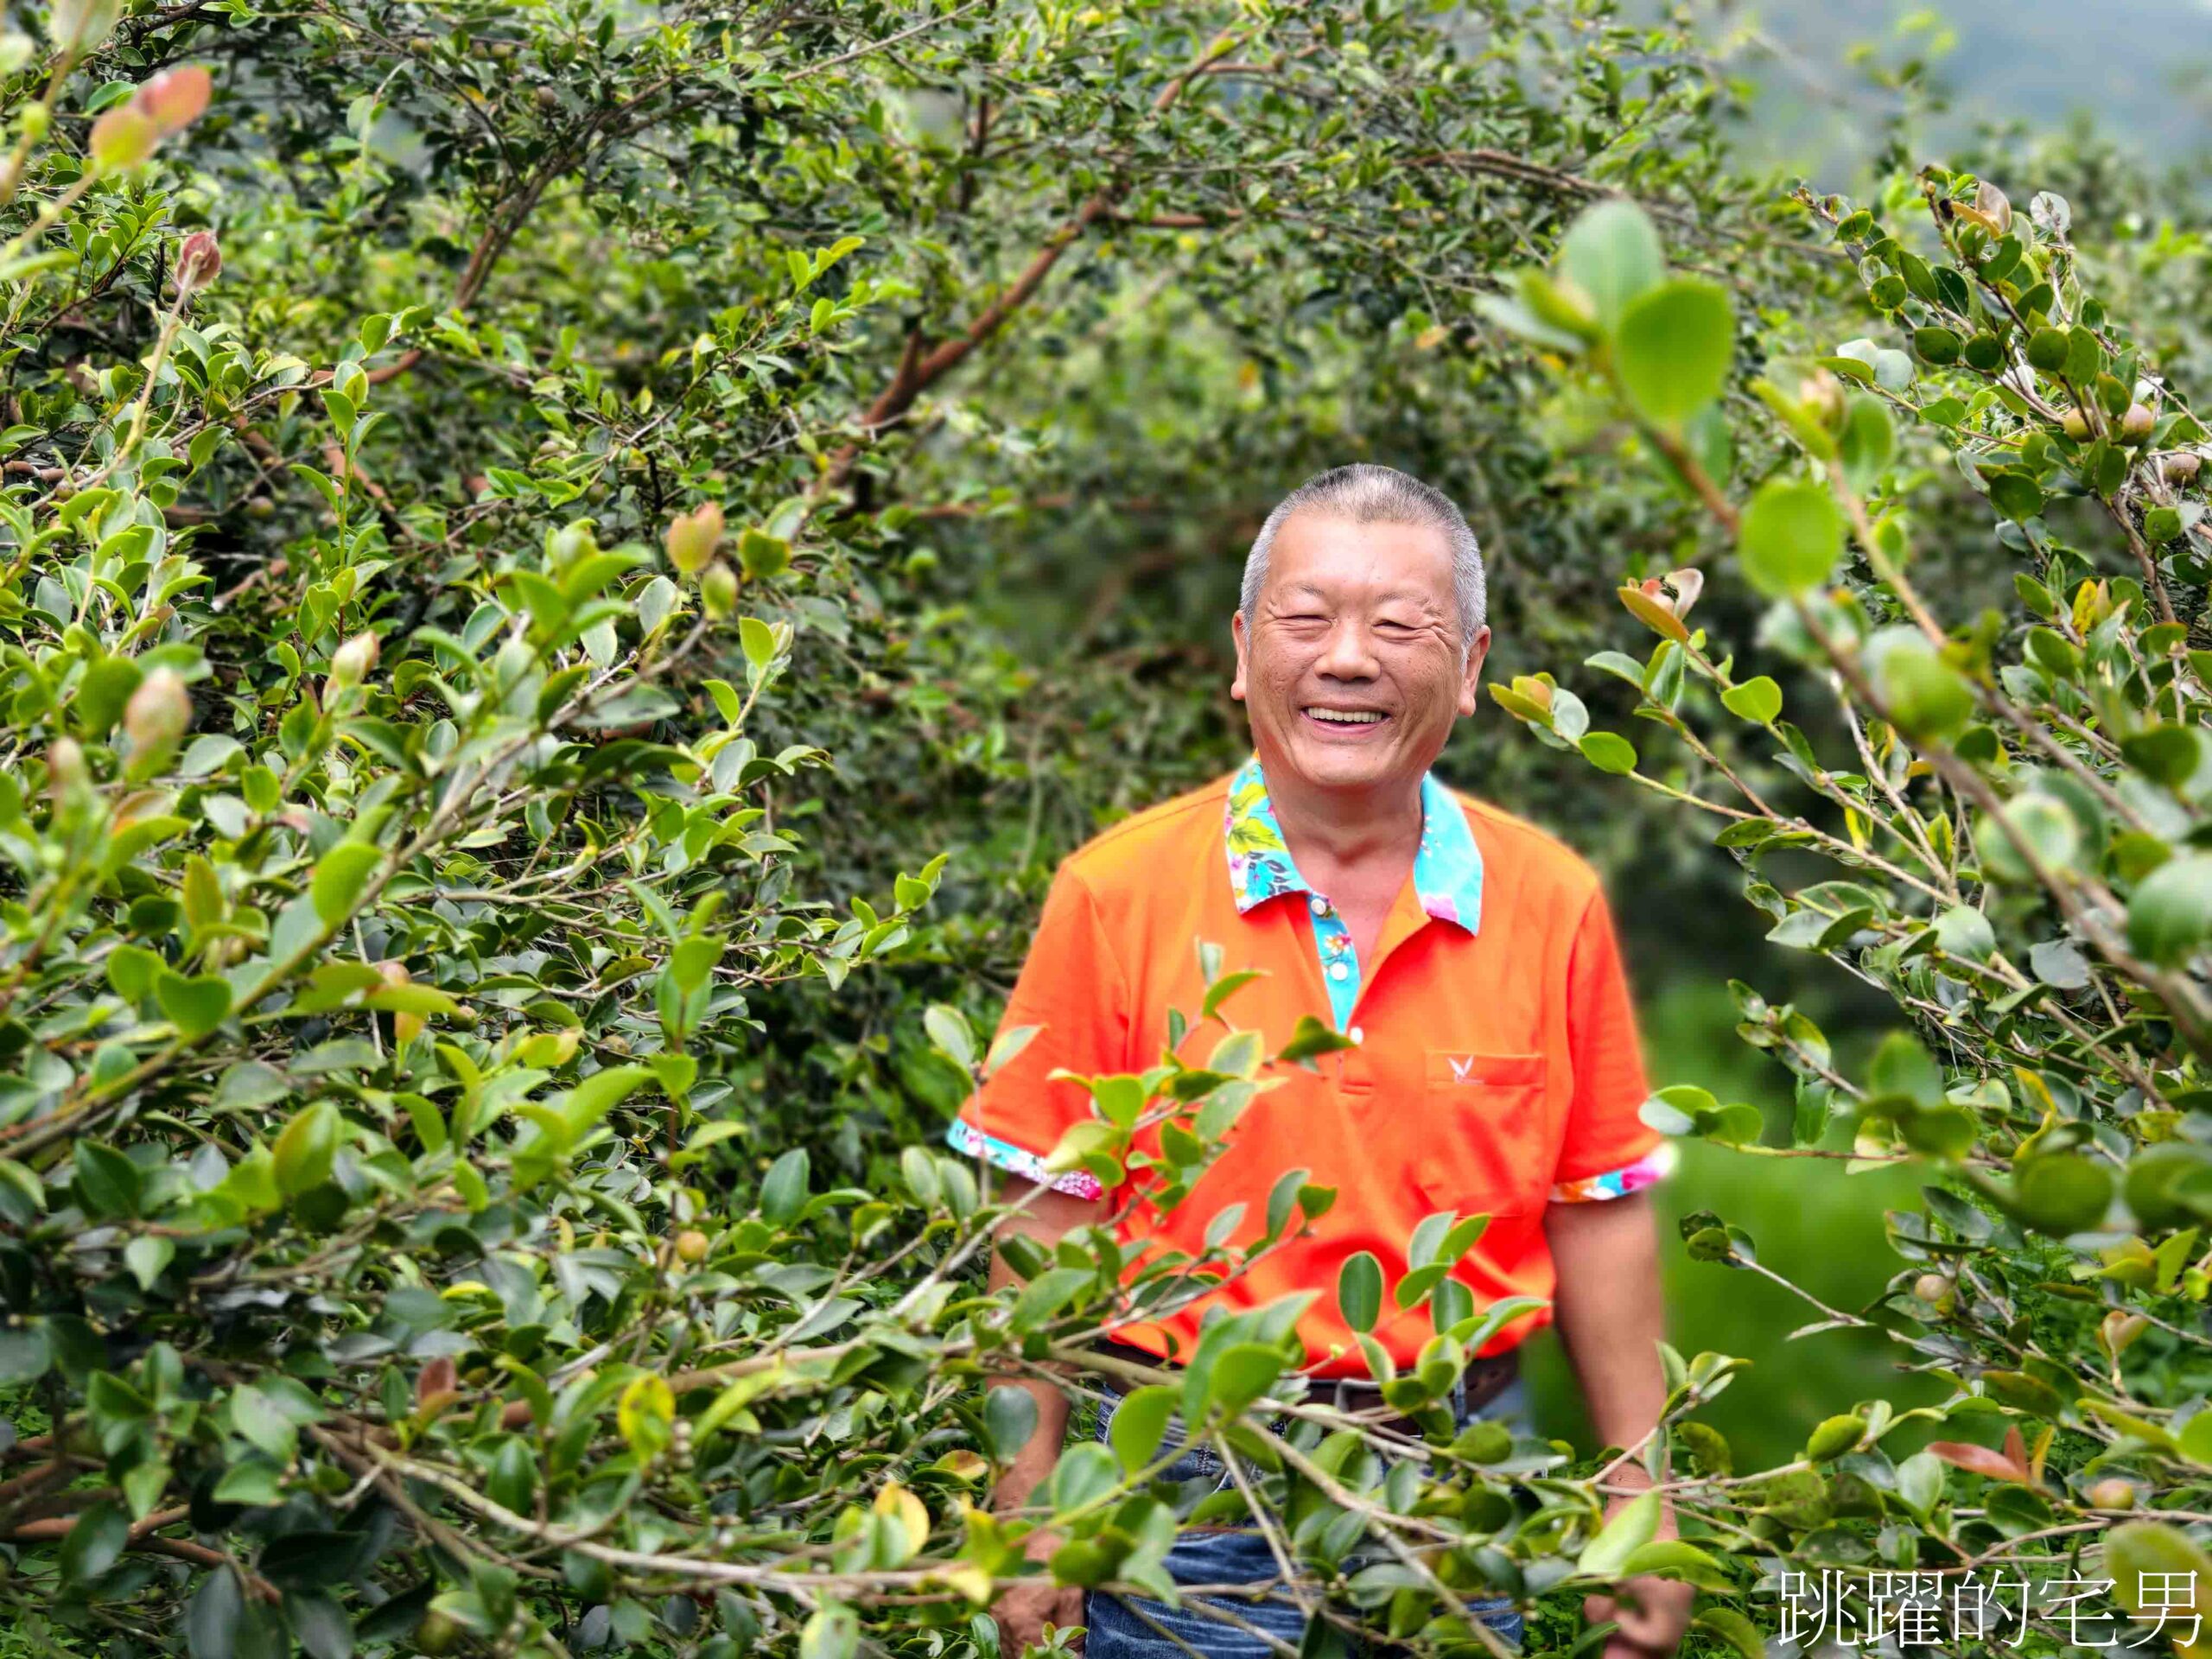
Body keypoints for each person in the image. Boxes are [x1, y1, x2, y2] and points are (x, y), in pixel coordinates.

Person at [948, 463, 1694, 1658]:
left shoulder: (1549, 901)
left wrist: (1637, 1499)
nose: (1349, 658)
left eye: (1401, 626)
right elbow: (1041, 1211)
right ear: (1244, 649)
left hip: (1457, 1473)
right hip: (1181, 1469)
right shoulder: (1116, 893)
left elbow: (1598, 1206)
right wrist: (1029, 1512)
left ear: (1473, 666)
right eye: (1308, 620)